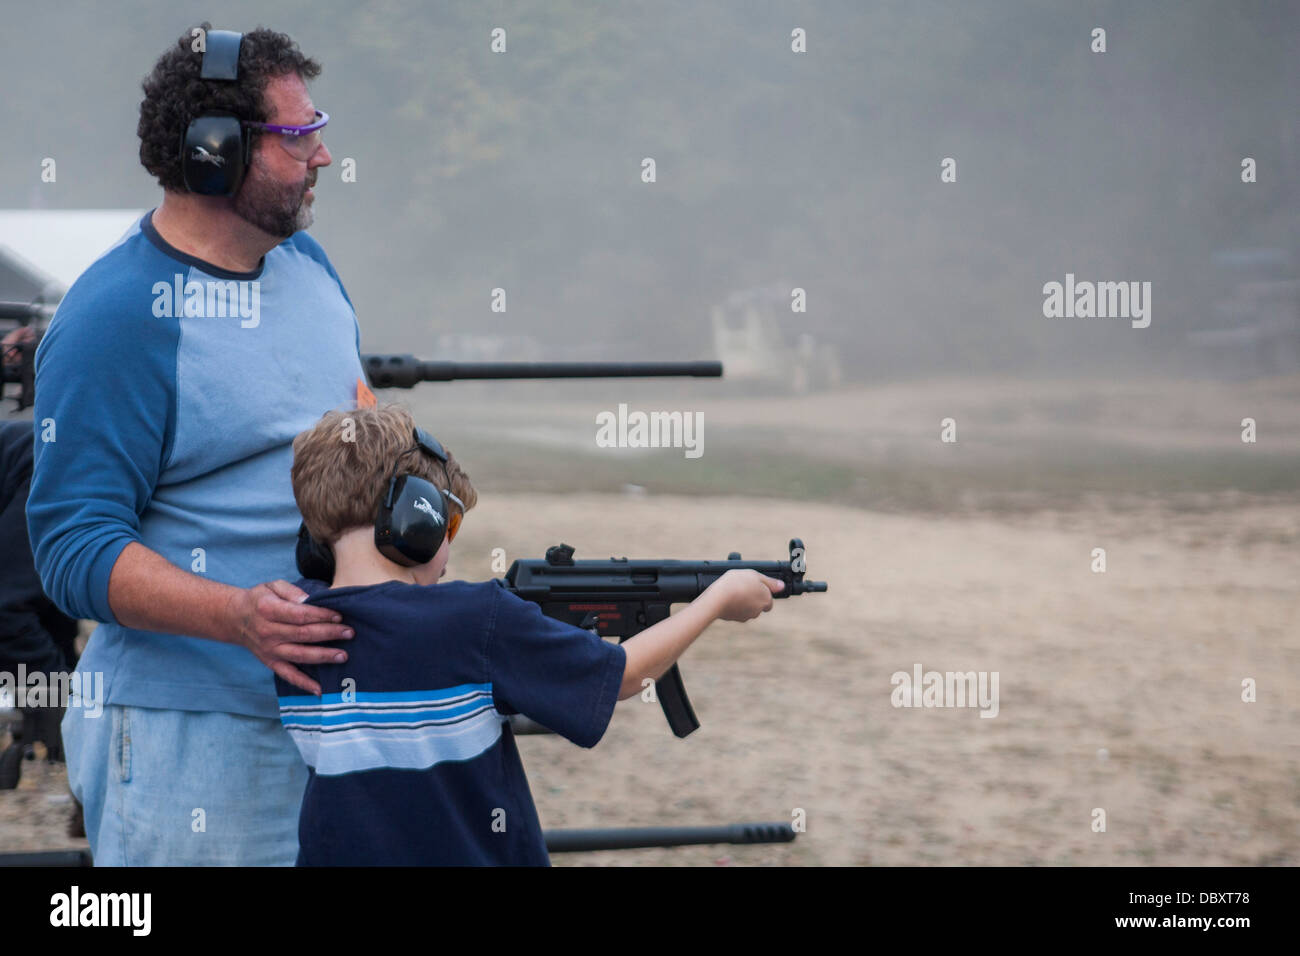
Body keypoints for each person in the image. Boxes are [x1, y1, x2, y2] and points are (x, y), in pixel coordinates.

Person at [25, 25, 359, 865]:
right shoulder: (118, 316)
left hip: (326, 719)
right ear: (216, 154)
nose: (322, 155)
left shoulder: (308, 266)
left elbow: (357, 436)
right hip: (185, 735)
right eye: (297, 136)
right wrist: (237, 616)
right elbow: (71, 546)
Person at [279, 404, 784, 865]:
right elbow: (624, 674)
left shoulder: (288, 626)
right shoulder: (476, 619)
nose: (448, 547)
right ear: (416, 518)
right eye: (448, 525)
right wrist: (716, 600)